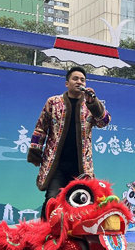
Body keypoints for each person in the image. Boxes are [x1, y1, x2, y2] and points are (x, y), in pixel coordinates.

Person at [27, 66, 111, 219]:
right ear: (67, 83)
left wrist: (94, 103)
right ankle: (45, 232)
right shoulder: (53, 102)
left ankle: (74, 234)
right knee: (52, 200)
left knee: (82, 203)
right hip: (56, 165)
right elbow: (41, 127)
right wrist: (35, 150)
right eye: (75, 79)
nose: (79, 82)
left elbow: (104, 122)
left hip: (81, 166)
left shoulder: (90, 104)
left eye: (82, 80)